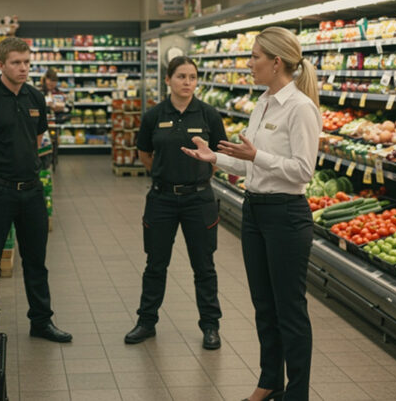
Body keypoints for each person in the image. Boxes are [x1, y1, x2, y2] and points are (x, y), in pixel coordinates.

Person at [182, 26, 321, 401]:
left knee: (289, 309)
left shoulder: (301, 108)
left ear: (276, 63)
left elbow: (302, 171)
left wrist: (256, 156)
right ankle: (270, 380)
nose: (249, 63)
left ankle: (298, 393)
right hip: (255, 211)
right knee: (264, 304)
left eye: (256, 56)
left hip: (287, 216)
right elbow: (254, 165)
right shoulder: (261, 103)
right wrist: (217, 158)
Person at [0, 37, 72, 343]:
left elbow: (37, 141)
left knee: (36, 260)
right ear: (1, 65)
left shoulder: (36, 98)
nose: (23, 68)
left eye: (26, 62)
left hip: (32, 192)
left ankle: (41, 321)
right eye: (16, 62)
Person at [124, 56, 226, 351]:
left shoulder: (208, 115)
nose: (187, 82)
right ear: (167, 79)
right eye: (181, 76)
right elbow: (145, 154)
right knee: (155, 264)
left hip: (199, 199)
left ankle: (210, 326)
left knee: (204, 266)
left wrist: (198, 176)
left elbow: (218, 156)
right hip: (162, 199)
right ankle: (146, 322)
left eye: (192, 77)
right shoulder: (154, 115)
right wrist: (165, 175)